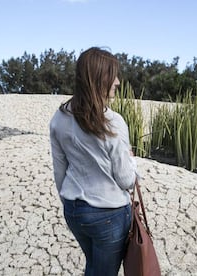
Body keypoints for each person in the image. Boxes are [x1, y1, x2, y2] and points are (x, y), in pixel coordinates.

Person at [49, 47, 137, 276]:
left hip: (73, 210)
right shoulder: (113, 122)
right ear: (98, 79)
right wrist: (133, 163)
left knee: (94, 266)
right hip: (109, 214)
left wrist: (70, 201)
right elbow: (126, 180)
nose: (117, 81)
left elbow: (60, 171)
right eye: (112, 76)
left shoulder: (59, 118)